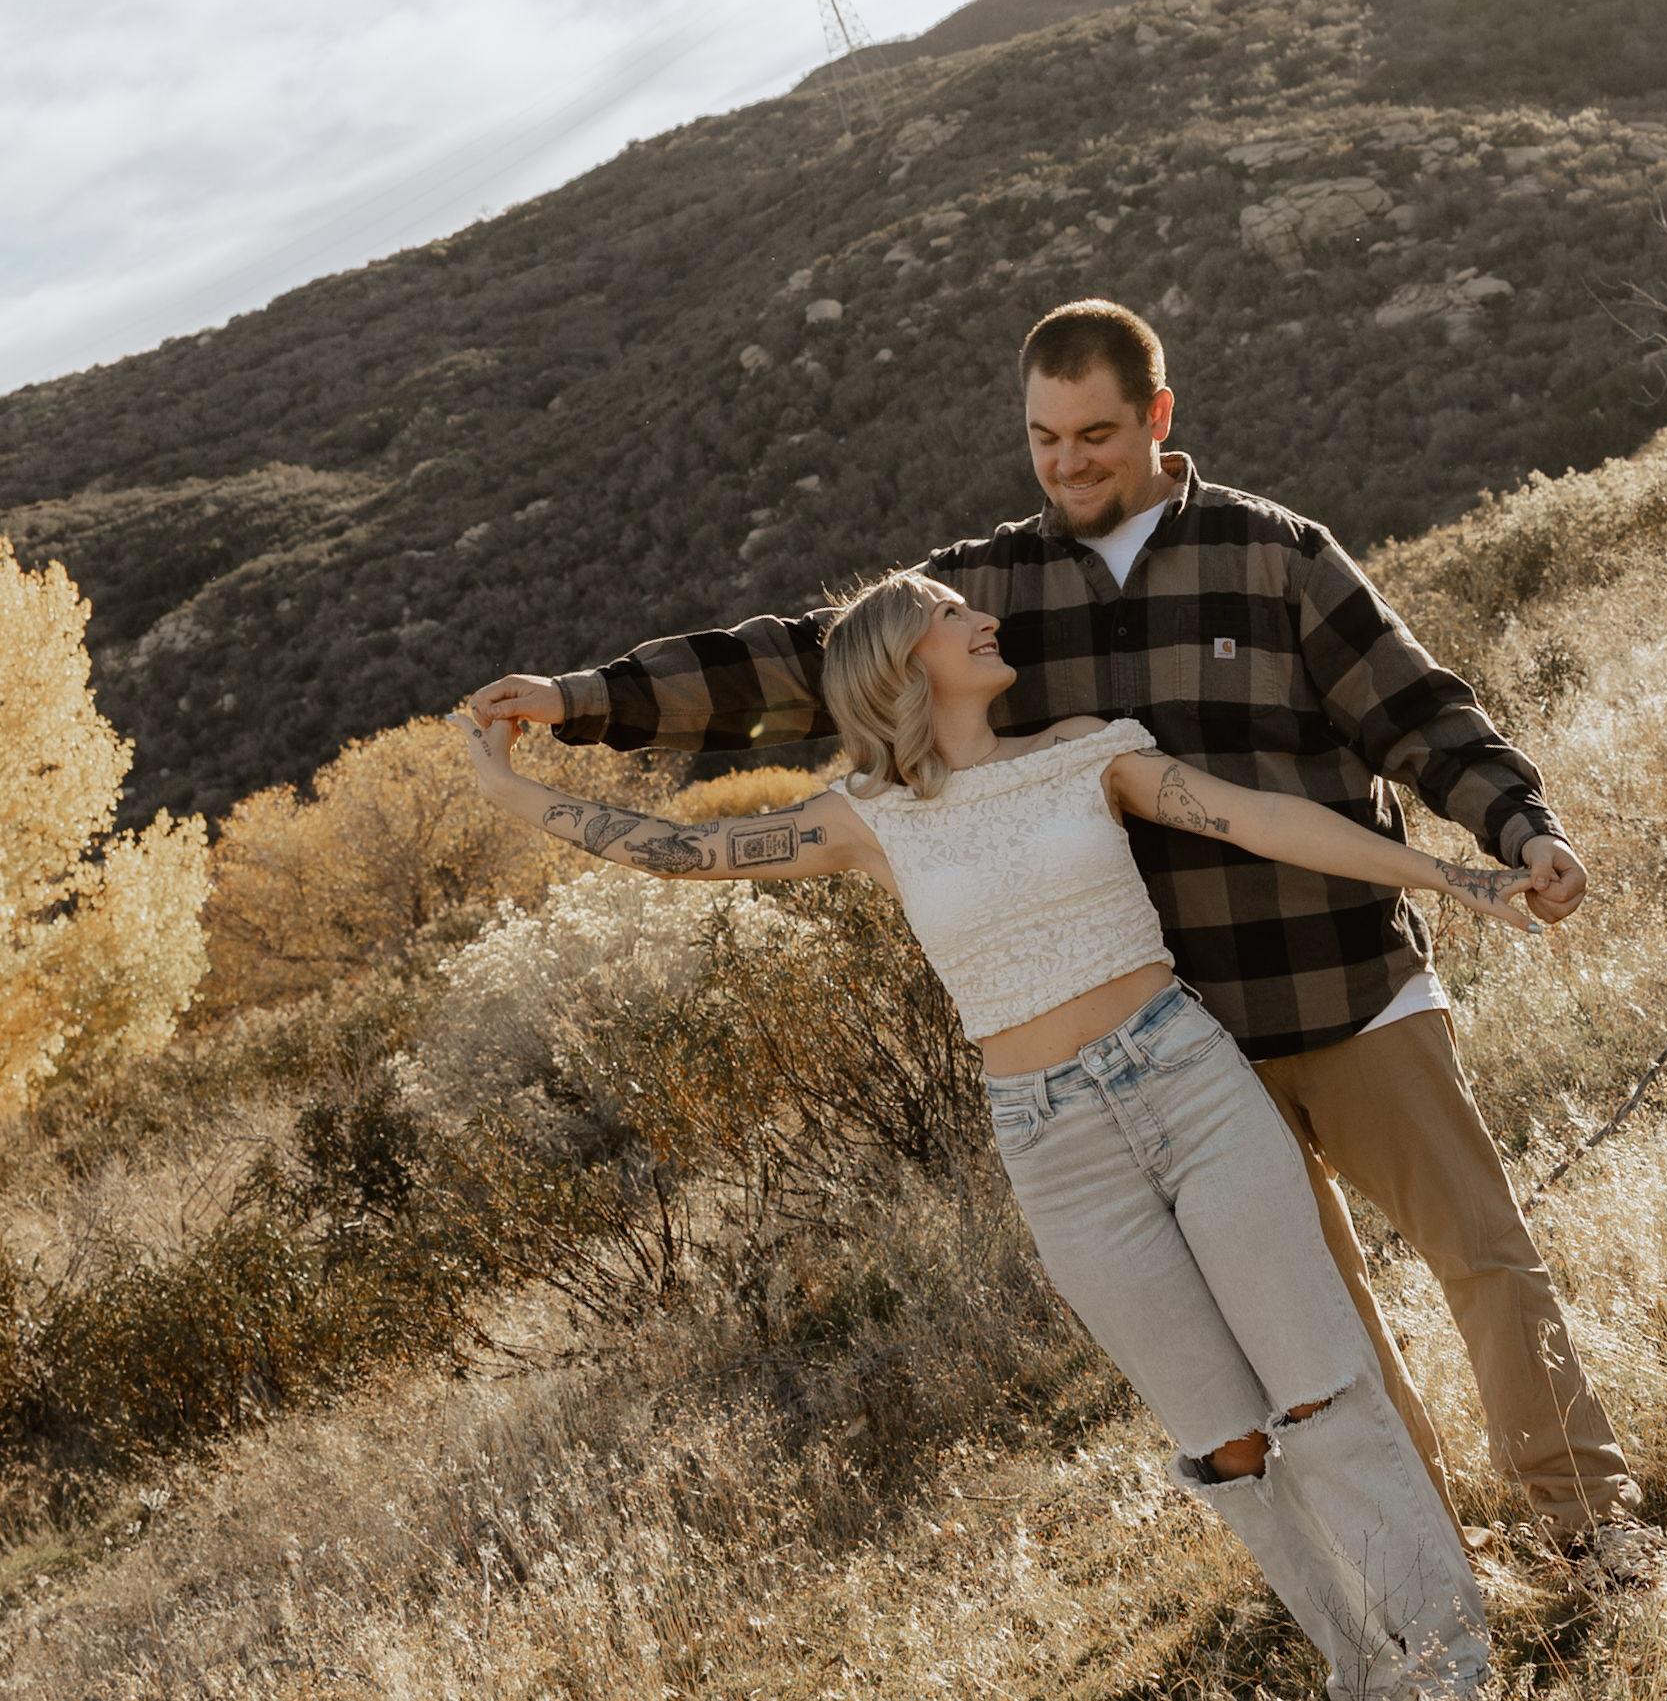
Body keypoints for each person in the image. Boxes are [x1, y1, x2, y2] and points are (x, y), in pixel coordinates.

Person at [467, 297, 1649, 1571]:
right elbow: (799, 662)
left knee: (1485, 1258)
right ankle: (1433, 1573)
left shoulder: (1276, 554)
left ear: (1158, 416)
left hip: (1348, 986)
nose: (1068, 464)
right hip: (1189, 1050)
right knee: (1328, 1336)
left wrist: (1519, 831)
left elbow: (1420, 716)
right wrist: (584, 700)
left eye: (1095, 435)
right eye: (1044, 439)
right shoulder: (987, 591)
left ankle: (1589, 1530)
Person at [450, 563, 1536, 1695]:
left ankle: (1449, 1666)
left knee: (1318, 1391)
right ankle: (1368, 1670)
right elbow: (674, 849)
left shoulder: (1082, 751)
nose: (984, 619)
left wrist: (1448, 875)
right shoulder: (863, 819)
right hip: (1058, 1147)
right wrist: (510, 791)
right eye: (950, 614)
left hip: (1190, 1085)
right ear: (899, 660)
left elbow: (1264, 820)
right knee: (1227, 1442)